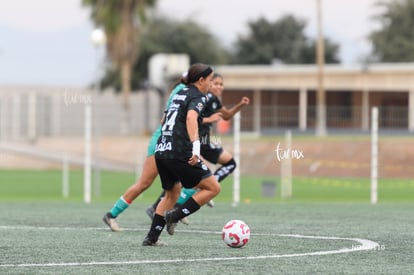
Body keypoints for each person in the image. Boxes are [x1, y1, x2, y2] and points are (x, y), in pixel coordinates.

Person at [146, 73, 250, 219]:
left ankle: (161, 206)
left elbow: (226, 115)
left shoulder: (213, 99)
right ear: (206, 83)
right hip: (197, 140)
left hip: (204, 140)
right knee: (226, 165)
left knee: (184, 178)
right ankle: (202, 190)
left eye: (221, 84)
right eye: (215, 83)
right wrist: (209, 119)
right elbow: (190, 119)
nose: (218, 86)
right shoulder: (202, 97)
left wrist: (240, 105)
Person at [142, 63, 220, 246]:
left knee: (171, 193)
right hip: (179, 151)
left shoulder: (179, 93)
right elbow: (191, 117)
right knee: (213, 188)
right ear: (201, 80)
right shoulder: (199, 96)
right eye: (210, 80)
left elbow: (164, 119)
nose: (211, 84)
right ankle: (174, 216)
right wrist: (195, 148)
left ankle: (151, 238)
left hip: (162, 150)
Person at [102, 73, 188, 232]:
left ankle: (169, 213)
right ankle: (111, 215)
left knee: (178, 184)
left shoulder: (189, 92)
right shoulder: (183, 91)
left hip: (172, 143)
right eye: (211, 81)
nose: (213, 85)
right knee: (145, 183)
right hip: (162, 143)